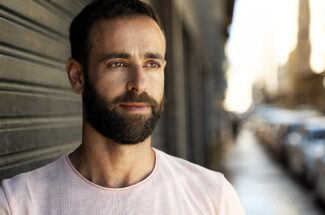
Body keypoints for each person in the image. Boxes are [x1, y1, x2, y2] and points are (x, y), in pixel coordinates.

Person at [0, 0, 245, 214]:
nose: (138, 83)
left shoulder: (213, 196)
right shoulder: (18, 203)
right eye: (117, 63)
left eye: (151, 64)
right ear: (77, 76)